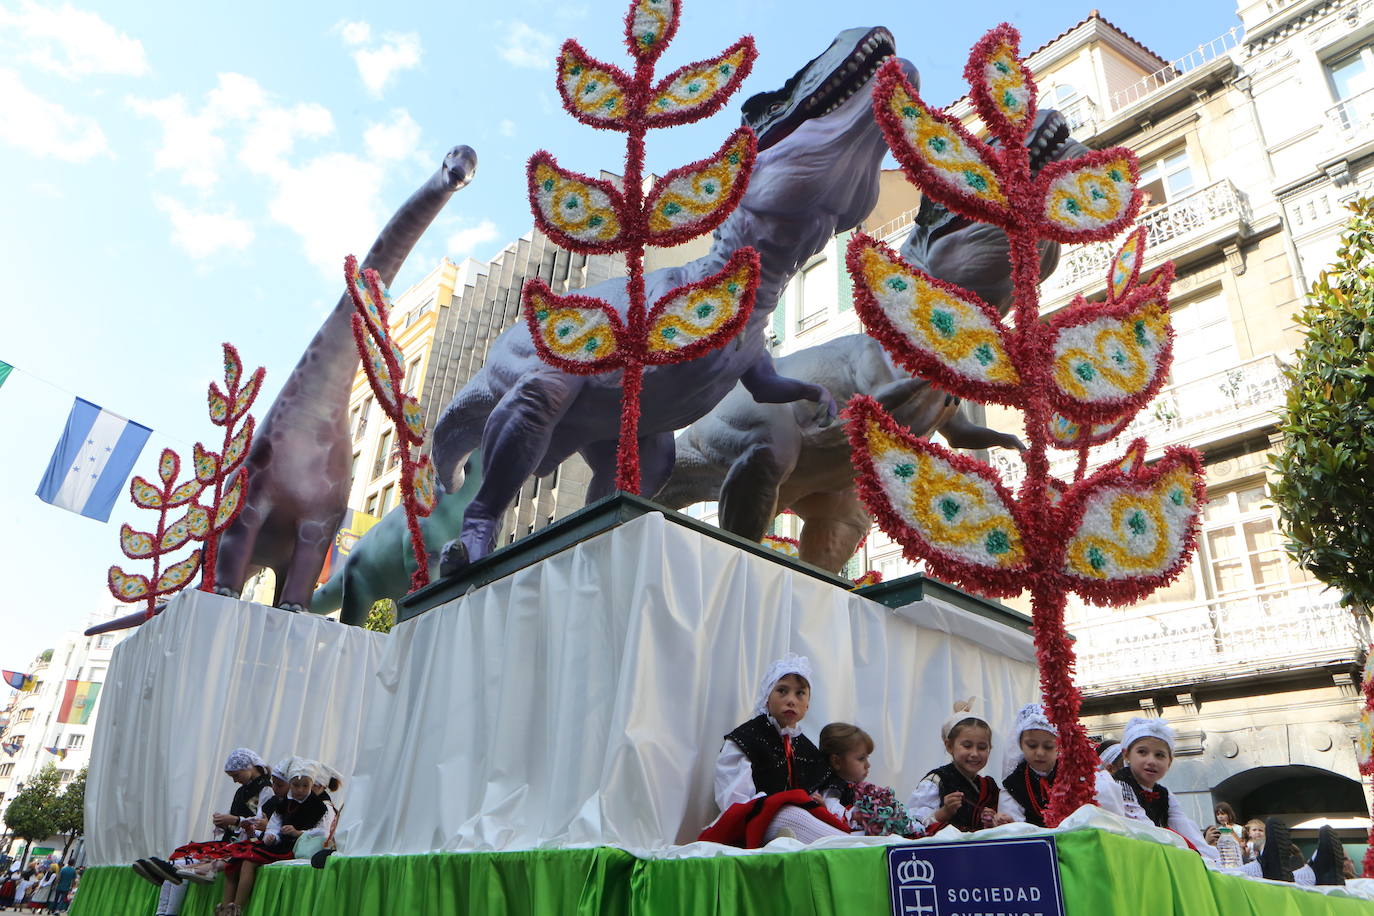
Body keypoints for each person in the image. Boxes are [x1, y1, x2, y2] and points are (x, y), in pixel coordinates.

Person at [697, 654, 849, 847]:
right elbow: (737, 804)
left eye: (800, 693)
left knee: (825, 818)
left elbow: (824, 790)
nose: (791, 700)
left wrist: (821, 803)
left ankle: (856, 845)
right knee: (791, 815)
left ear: (808, 705)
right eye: (782, 691)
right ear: (767, 698)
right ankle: (852, 848)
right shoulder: (747, 738)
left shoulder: (807, 749)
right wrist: (781, 804)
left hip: (798, 820)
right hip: (755, 823)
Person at [215, 758, 334, 916]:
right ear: (290, 785)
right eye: (296, 785)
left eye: (305, 786)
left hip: (294, 848)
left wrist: (297, 833)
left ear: (312, 785)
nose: (299, 790)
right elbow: (274, 826)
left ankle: (237, 908)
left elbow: (323, 833)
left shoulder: (320, 808)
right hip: (279, 845)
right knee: (235, 861)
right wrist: (272, 836)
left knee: (248, 861)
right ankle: (225, 908)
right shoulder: (283, 804)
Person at [1094, 718, 1217, 861]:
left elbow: (1186, 830)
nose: (1151, 761)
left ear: (1169, 762)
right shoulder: (1118, 784)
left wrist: (1211, 860)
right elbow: (1143, 829)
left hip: (1155, 853)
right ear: (1126, 755)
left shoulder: (1164, 794)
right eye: (1142, 752)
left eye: (1159, 755)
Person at [908, 700, 1013, 834]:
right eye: (967, 746)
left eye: (982, 747)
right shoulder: (937, 781)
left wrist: (996, 820)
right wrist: (944, 812)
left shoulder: (989, 786)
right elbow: (913, 825)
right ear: (949, 746)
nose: (974, 754)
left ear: (990, 749)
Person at [816, 723, 915, 836]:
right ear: (836, 761)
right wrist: (857, 816)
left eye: (867, 758)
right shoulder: (833, 787)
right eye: (861, 759)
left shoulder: (856, 787)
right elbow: (831, 807)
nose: (867, 765)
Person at [998, 703, 1058, 827]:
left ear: (1059, 746)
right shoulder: (1014, 785)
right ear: (1020, 744)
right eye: (1032, 745)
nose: (1040, 753)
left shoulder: (1073, 775)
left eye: (1048, 746)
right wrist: (1010, 824)